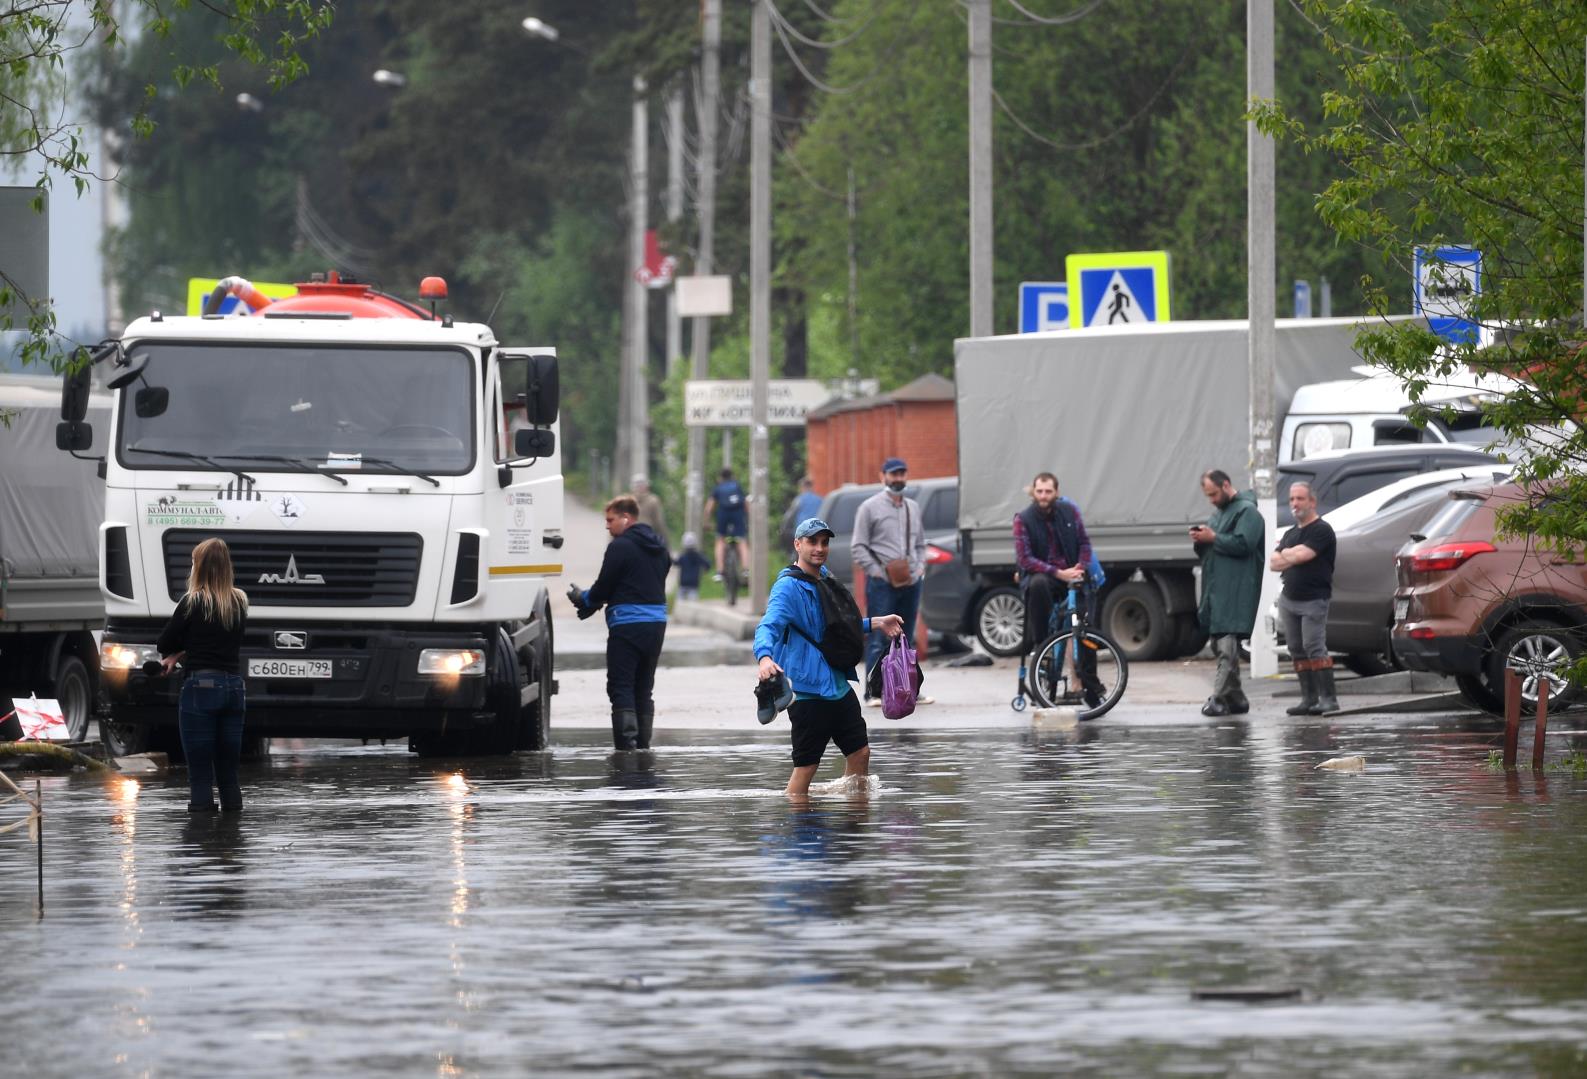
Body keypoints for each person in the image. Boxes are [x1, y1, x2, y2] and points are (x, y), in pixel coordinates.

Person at [755, 517, 903, 798]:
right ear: (798, 544)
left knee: (861, 753)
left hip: (836, 685)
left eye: (824, 542)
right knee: (806, 767)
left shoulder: (825, 579)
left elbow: (835, 627)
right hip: (807, 692)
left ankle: (854, 824)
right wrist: (764, 658)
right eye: (812, 542)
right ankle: (800, 829)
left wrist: (875, 622)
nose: (819, 548)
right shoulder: (788, 587)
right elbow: (768, 625)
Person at [568, 495, 671, 750]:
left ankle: (626, 746)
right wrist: (592, 603)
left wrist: (585, 599)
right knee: (644, 687)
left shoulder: (620, 547)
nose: (607, 526)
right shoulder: (660, 547)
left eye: (610, 520)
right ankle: (644, 744)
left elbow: (604, 586)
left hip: (627, 626)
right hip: (656, 625)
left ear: (626, 518)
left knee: (621, 684)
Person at [157, 537, 249, 813]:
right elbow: (219, 641)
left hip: (201, 688)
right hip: (234, 688)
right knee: (228, 773)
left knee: (199, 774)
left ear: (199, 567)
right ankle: (232, 840)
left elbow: (164, 642)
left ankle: (201, 843)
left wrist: (177, 653)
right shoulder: (240, 600)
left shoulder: (193, 601)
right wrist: (185, 651)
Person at [1013, 471, 1105, 705]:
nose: (1043, 496)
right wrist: (1058, 573)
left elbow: (1084, 542)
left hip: (1072, 574)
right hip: (1045, 576)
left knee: (1085, 631)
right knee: (1038, 585)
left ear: (1056, 492)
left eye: (1048, 491)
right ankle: (1042, 646)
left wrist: (1080, 567)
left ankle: (1092, 688)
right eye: (1040, 491)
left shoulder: (1069, 511)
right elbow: (1025, 559)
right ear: (1033, 492)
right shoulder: (1023, 518)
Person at [850, 457, 928, 704]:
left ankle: (907, 690)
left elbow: (920, 544)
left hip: (911, 580)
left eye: (902, 474)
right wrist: (877, 571)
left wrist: (919, 568)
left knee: (907, 636)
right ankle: (873, 692)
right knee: (879, 637)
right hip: (883, 582)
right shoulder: (869, 508)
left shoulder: (912, 507)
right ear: (882, 476)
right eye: (893, 474)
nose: (898, 479)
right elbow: (858, 547)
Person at [1189, 469, 1264, 716]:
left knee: (1227, 644)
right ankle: (1237, 697)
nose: (1211, 499)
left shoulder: (1248, 511)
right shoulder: (1219, 513)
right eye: (1207, 495)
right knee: (1218, 641)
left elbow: (1245, 544)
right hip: (1218, 589)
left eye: (1213, 494)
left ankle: (1218, 697)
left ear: (1226, 485)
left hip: (1237, 589)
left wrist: (1213, 537)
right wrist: (1201, 540)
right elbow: (1212, 548)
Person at [1270, 481, 1339, 715]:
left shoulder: (1322, 530)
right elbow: (1273, 562)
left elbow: (1304, 555)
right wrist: (1292, 554)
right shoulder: (1291, 533)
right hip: (1289, 598)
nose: (1295, 504)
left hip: (1314, 599)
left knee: (1314, 646)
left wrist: (1289, 554)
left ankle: (1329, 699)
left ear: (1312, 501)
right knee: (1296, 648)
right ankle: (1308, 699)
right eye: (1291, 499)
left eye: (1300, 498)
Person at [704, 467, 749, 582]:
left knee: (720, 540)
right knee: (742, 541)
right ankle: (745, 569)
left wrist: (707, 522)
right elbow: (745, 503)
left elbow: (709, 507)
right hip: (738, 514)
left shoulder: (718, 488)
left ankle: (720, 572)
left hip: (723, 514)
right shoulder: (737, 486)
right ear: (732, 476)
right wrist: (748, 519)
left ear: (720, 478)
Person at [778, 475, 823, 549]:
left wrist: (783, 528)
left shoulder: (799, 500)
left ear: (803, 487)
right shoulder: (820, 500)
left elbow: (790, 515)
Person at [632, 474, 668, 550]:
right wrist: (665, 542)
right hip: (648, 539)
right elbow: (659, 523)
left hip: (632, 539)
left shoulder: (627, 501)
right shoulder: (654, 500)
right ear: (647, 486)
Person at [675, 531, 711, 602]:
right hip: (694, 584)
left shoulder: (683, 556)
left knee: (679, 603)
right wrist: (706, 569)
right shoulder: (699, 556)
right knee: (693, 603)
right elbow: (708, 564)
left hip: (683, 583)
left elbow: (675, 563)